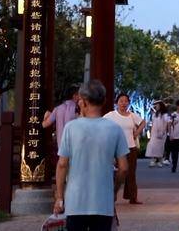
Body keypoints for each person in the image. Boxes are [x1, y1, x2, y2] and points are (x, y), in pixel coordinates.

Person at [53, 80, 129, 231]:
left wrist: (60, 197)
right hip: (103, 201)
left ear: (84, 101)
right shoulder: (115, 129)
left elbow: (62, 165)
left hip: (75, 202)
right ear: (104, 101)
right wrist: (114, 191)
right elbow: (124, 168)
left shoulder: (71, 128)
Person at [104, 93, 146, 204]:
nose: (123, 103)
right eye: (121, 101)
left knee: (131, 173)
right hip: (116, 148)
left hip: (130, 147)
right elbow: (101, 124)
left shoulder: (132, 115)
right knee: (117, 173)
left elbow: (143, 122)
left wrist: (136, 133)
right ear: (117, 103)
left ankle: (133, 197)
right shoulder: (111, 115)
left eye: (126, 101)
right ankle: (112, 194)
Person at [43, 84, 80, 149]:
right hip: (74, 147)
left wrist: (46, 116)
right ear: (74, 95)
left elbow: (44, 125)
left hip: (61, 149)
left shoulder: (57, 109)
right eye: (80, 95)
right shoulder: (76, 109)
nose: (81, 97)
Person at [146, 101, 170, 168]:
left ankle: (159, 161)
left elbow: (166, 123)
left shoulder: (165, 115)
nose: (156, 107)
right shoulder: (154, 115)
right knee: (152, 146)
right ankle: (153, 161)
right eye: (156, 106)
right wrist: (150, 133)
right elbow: (153, 124)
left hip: (162, 133)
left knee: (160, 147)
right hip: (154, 132)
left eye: (157, 106)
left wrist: (163, 131)